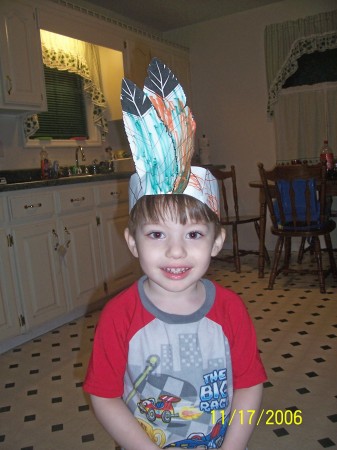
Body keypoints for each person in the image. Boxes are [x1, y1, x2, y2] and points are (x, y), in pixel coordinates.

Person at [83, 58, 267, 450]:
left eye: (194, 233)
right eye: (156, 233)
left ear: (217, 243)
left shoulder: (231, 311)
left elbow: (250, 386)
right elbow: (104, 394)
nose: (176, 250)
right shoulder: (119, 317)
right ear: (133, 243)